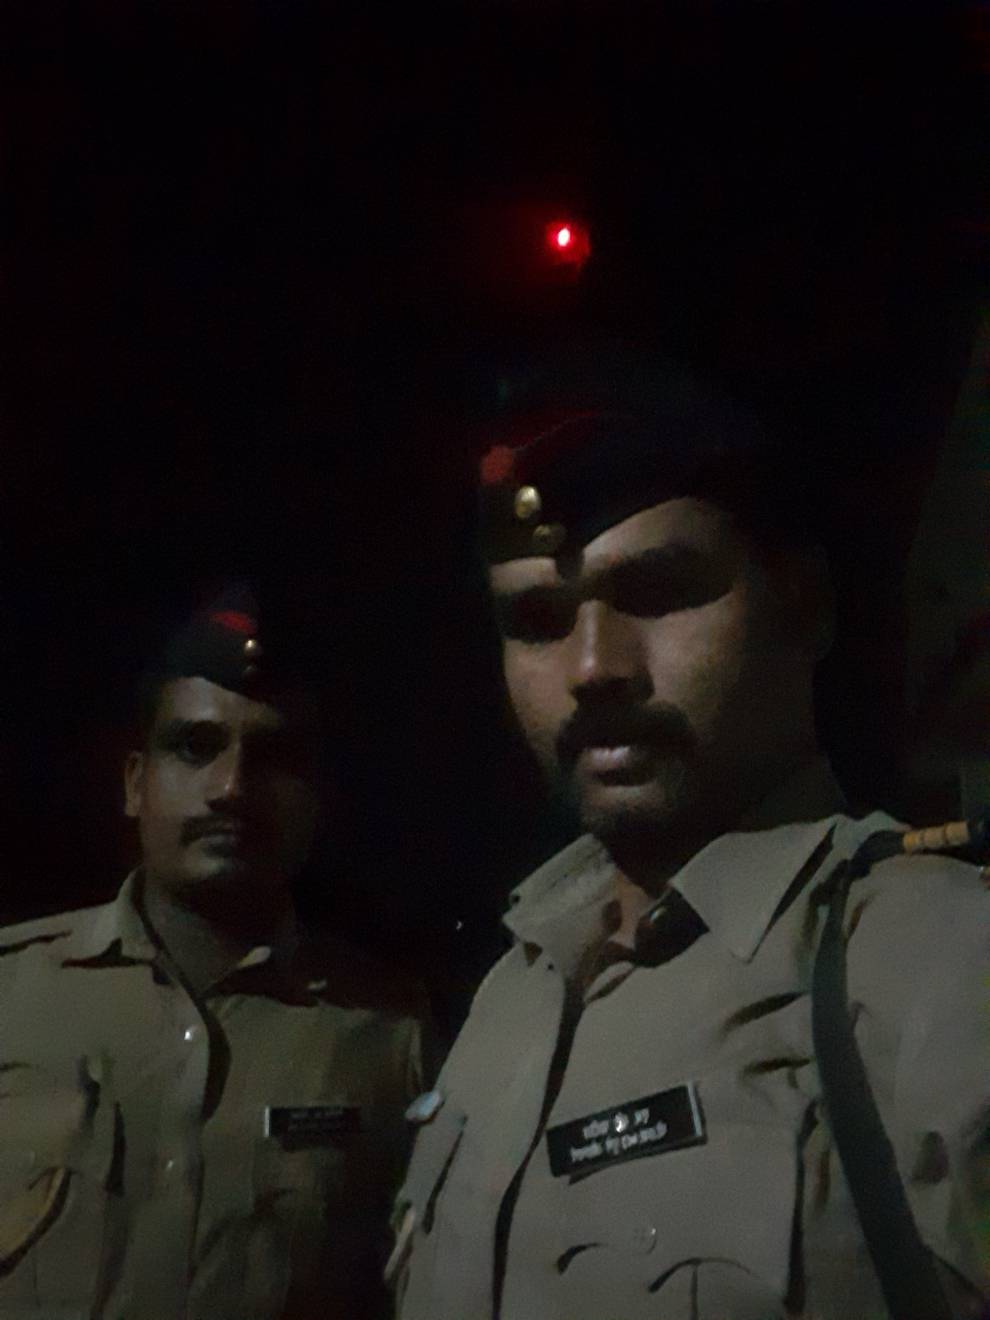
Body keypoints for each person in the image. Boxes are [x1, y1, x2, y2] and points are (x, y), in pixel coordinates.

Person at [391, 350, 989, 1319]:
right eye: (538, 620)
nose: (594, 666)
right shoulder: (511, 994)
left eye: (660, 590)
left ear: (803, 605)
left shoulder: (941, 965)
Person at [0, 583, 428, 1320]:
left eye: (274, 756)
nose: (231, 788)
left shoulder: (392, 1037)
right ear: (136, 783)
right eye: (195, 748)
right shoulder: (11, 994)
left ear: (314, 801)